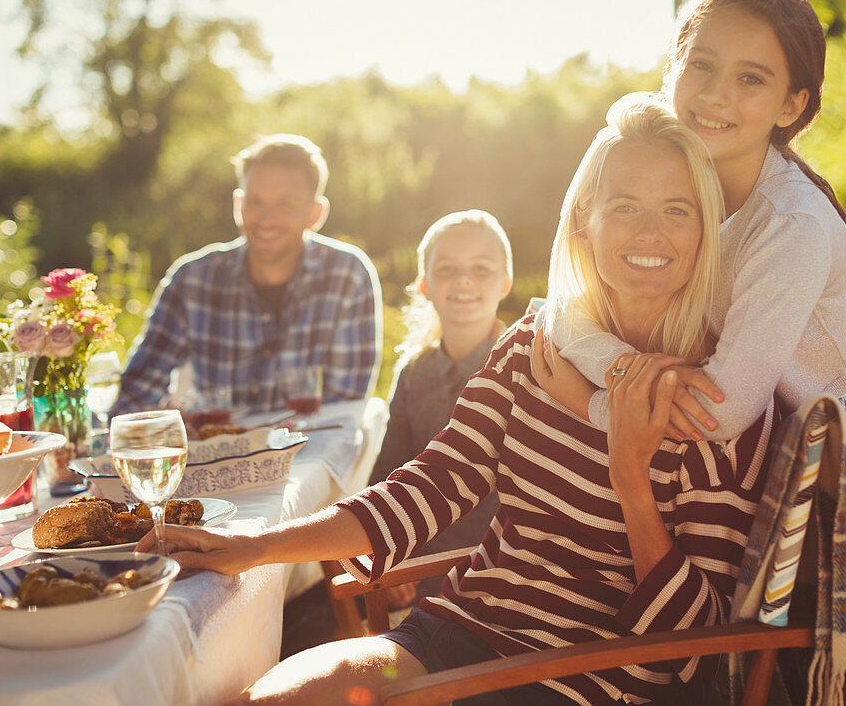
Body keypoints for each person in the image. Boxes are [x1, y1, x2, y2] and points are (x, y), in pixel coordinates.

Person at [139, 99, 780, 705]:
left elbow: (690, 646)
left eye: (677, 209)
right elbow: (433, 484)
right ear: (585, 221)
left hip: (587, 678)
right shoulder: (536, 345)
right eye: (625, 207)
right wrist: (254, 547)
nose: (650, 232)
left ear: (706, 228)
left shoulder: (720, 396)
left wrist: (630, 480)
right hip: (457, 633)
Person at [539, 0, 846, 704]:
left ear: (792, 105)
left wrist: (589, 402)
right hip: (728, 472)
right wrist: (625, 370)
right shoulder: (656, 159)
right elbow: (566, 298)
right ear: (673, 65)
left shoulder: (791, 228)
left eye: (752, 79)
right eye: (702, 65)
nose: (716, 95)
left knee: (819, 683)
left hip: (823, 474)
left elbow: (720, 413)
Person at [112, 134, 383, 417]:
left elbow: (345, 407)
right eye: (256, 202)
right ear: (238, 206)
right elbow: (138, 390)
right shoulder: (191, 279)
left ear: (314, 214)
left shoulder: (348, 275)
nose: (266, 220)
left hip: (311, 451)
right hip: (216, 453)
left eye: (284, 205)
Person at [368, 209, 513, 605]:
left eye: (482, 269)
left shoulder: (525, 370)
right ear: (425, 284)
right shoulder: (414, 373)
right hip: (421, 565)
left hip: (501, 568)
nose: (464, 280)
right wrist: (389, 552)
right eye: (447, 268)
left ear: (505, 283)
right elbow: (388, 471)